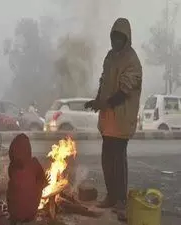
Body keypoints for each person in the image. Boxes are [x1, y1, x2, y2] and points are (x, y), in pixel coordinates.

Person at [85, 18, 142, 221]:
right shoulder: (110, 57)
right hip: (108, 120)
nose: (115, 41)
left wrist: (105, 104)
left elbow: (123, 93)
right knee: (107, 160)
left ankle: (121, 201)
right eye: (113, 37)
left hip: (122, 119)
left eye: (119, 38)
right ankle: (111, 196)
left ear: (126, 39)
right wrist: (96, 101)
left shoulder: (132, 61)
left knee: (118, 160)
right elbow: (104, 81)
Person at [7, 133, 47, 225]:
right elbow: (43, 181)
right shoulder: (34, 163)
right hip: (31, 214)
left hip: (14, 214)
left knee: (13, 188)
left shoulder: (12, 167)